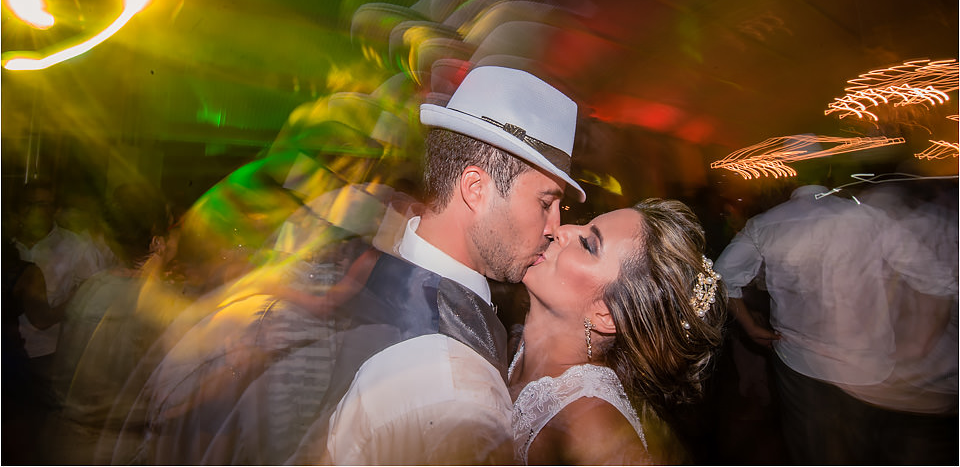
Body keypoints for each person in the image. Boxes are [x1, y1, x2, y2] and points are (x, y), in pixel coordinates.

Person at [289, 64, 586, 464]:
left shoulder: (375, 267)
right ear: (476, 189)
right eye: (546, 203)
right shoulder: (458, 399)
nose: (556, 227)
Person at [714, 181, 958, 465]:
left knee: (815, 449)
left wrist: (750, 326)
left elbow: (721, 278)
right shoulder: (869, 218)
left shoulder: (764, 224)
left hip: (800, 361)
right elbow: (938, 280)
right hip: (870, 367)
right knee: (869, 448)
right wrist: (919, 345)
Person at [508, 198, 727, 465]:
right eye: (585, 225)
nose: (562, 230)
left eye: (588, 245)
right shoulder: (516, 340)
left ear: (607, 315)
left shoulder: (592, 431)